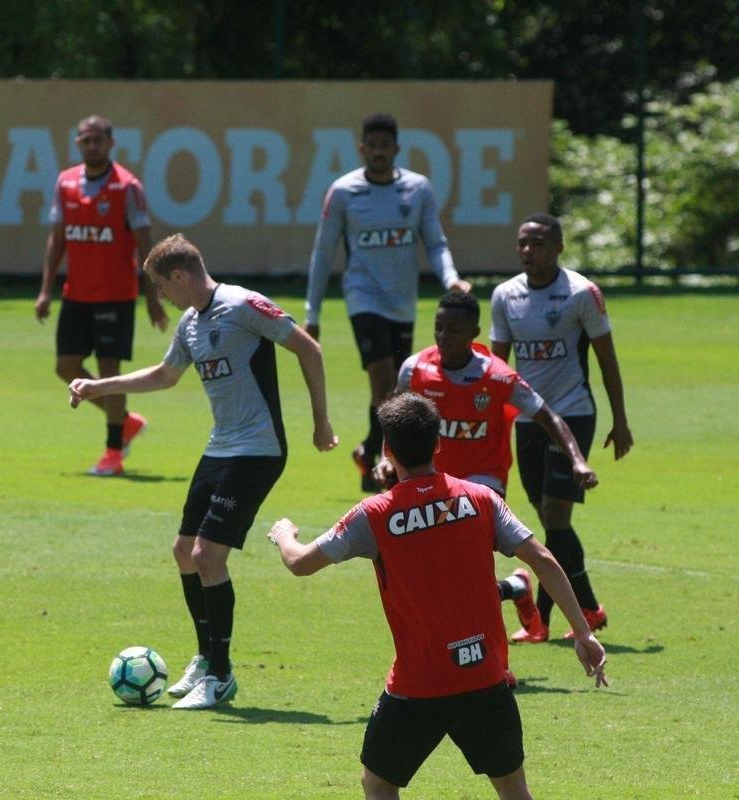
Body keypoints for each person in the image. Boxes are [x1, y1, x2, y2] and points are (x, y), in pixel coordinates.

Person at [268, 393, 607, 800]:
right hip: (484, 677)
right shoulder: (481, 499)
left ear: (388, 450)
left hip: (417, 686)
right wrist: (583, 633)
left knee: (378, 784)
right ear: (438, 444)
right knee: (513, 788)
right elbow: (544, 559)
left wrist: (284, 533)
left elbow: (300, 563)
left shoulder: (375, 514)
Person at [69, 233, 338, 710]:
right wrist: (98, 387)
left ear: (178, 276)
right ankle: (205, 656)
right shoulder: (191, 324)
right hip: (220, 447)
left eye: (159, 287)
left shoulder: (243, 305)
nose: (160, 298)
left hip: (258, 449)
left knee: (208, 557)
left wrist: (321, 421)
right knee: (184, 552)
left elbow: (309, 349)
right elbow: (165, 375)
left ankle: (221, 673)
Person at [373, 290, 599, 673]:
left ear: (475, 332)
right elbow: (396, 418)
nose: (443, 336)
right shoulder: (415, 369)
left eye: (453, 329)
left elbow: (549, 417)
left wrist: (577, 462)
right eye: (438, 328)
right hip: (433, 480)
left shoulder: (497, 376)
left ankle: (499, 666)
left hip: (483, 483)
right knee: (448, 577)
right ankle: (515, 589)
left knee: (465, 575)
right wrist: (385, 459)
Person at [304, 112, 471, 492]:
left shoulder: (418, 189)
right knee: (381, 376)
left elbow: (435, 241)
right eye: (371, 146)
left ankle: (368, 448)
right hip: (363, 297)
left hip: (402, 301)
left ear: (396, 148)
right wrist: (312, 314)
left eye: (385, 146)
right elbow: (323, 252)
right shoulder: (344, 191)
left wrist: (450, 278)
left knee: (396, 387)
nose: (378, 152)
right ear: (362, 149)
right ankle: (385, 460)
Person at [489, 212, 634, 643]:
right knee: (548, 521)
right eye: (523, 243)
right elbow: (496, 368)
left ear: (558, 248)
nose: (528, 251)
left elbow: (607, 358)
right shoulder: (505, 295)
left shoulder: (581, 293)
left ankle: (557, 616)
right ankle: (583, 607)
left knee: (554, 515)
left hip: (572, 413)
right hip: (528, 419)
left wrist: (620, 420)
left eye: (537, 243)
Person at [35, 114, 168, 477]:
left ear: (111, 143)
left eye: (98, 140)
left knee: (110, 371)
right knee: (65, 366)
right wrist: (46, 289)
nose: (91, 146)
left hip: (116, 294)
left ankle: (113, 453)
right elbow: (57, 239)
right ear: (77, 143)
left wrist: (152, 295)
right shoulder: (65, 183)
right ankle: (124, 422)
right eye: (85, 140)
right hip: (76, 293)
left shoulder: (127, 188)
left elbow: (144, 243)